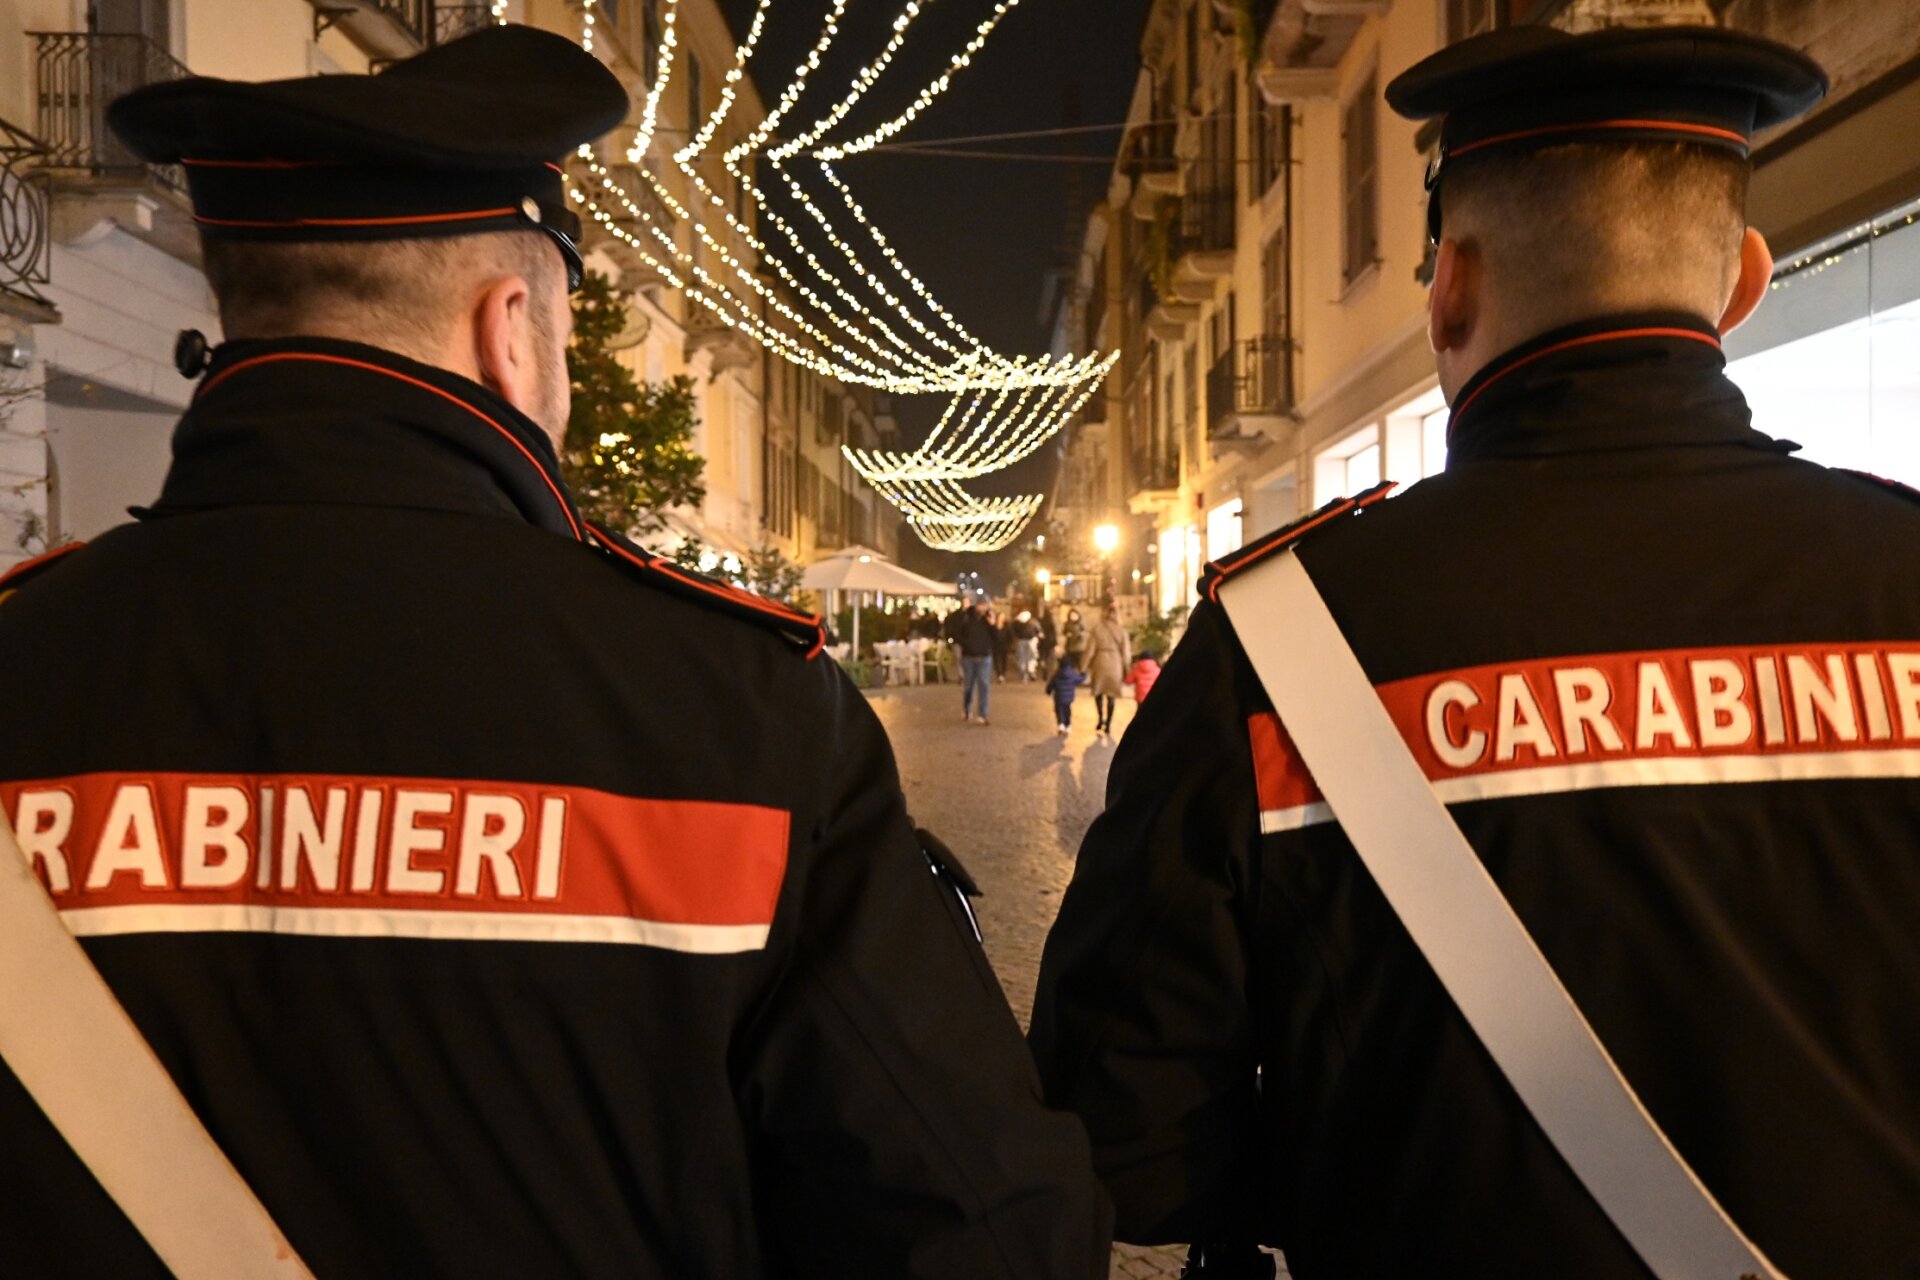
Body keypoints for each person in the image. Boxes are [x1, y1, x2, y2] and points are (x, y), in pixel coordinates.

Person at [0, 28, 1110, 1278]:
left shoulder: (22, 662)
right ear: (510, 326)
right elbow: (983, 1221)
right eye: (574, 338)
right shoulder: (740, 706)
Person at [1031, 26, 1920, 1280]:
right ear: (1744, 281)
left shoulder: (1280, 643)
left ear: (1450, 287)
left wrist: (1384, 1149)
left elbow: (1120, 1128)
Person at [1080, 605, 1132, 737]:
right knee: (1111, 695)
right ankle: (1108, 724)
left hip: (1100, 662)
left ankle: (1100, 719)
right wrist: (1127, 668)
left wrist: (1083, 666)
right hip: (1115, 663)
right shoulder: (1122, 631)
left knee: (1098, 692)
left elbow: (1090, 650)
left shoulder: (1097, 629)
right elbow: (1126, 653)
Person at [948, 596, 997, 724]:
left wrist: (993, 625)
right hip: (968, 657)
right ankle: (967, 709)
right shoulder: (966, 616)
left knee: (984, 685)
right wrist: (966, 644)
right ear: (976, 605)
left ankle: (983, 714)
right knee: (969, 685)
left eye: (986, 605)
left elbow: (997, 638)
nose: (984, 608)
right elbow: (956, 632)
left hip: (985, 656)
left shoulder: (989, 618)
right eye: (982, 605)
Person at [1045, 655, 1090, 737]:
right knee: (1067, 711)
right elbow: (1080, 679)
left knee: (1059, 711)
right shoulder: (1072, 674)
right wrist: (1084, 674)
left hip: (1058, 698)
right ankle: (1068, 725)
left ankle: (1061, 725)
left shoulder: (1057, 675)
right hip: (1068, 698)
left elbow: (1051, 685)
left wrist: (1048, 691)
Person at [1012, 609, 1041, 681]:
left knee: (1024, 658)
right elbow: (1038, 630)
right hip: (1028, 641)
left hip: (1025, 640)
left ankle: (1026, 672)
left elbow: (1013, 630)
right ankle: (1030, 671)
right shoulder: (1033, 622)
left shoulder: (1017, 623)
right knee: (1029, 657)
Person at [1037, 603, 1060, 681]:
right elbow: (1053, 633)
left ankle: (1045, 672)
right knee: (1051, 659)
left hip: (1043, 642)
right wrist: (1055, 643)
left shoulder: (1041, 621)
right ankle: (1049, 673)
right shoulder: (1051, 622)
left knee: (1044, 657)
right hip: (1050, 642)